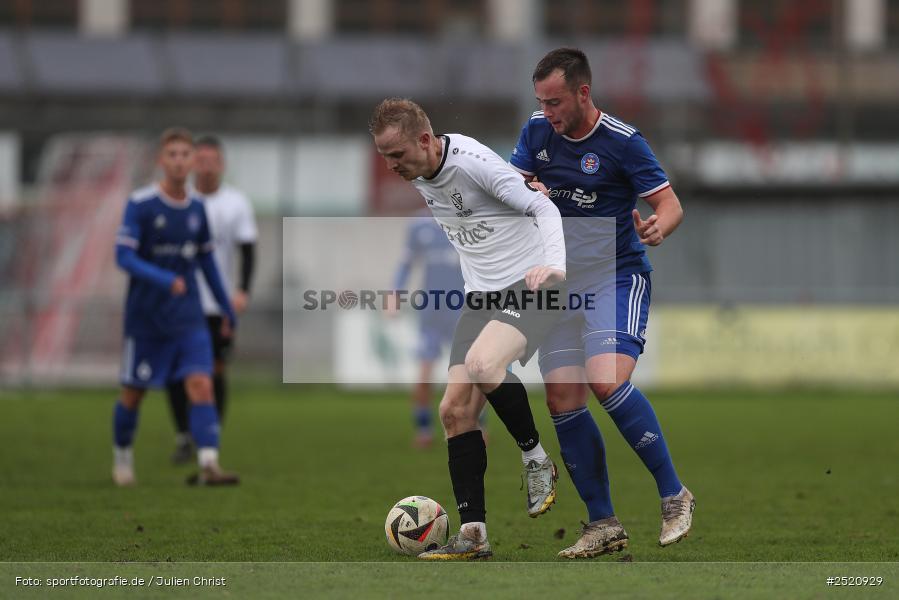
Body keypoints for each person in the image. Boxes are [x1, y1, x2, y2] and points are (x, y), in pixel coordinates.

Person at [509, 48, 693, 557]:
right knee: (562, 399)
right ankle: (602, 524)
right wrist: (525, 188)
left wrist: (660, 226)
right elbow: (513, 186)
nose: (549, 113)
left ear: (583, 93)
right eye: (542, 103)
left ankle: (674, 494)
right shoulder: (536, 132)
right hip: (560, 287)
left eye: (556, 102)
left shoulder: (623, 142)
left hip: (616, 277)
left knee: (606, 377)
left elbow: (669, 203)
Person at [370, 98, 566, 560]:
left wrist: (554, 267)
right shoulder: (422, 170)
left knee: (482, 363)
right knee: (454, 412)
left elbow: (545, 209)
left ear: (425, 140)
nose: (391, 166)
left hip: (531, 285)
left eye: (396, 155)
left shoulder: (471, 161)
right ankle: (473, 537)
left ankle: (536, 458)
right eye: (384, 157)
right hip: (481, 297)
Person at [112, 127, 239, 487]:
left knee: (201, 383)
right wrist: (163, 279)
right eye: (174, 154)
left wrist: (227, 308)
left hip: (189, 317)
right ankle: (122, 457)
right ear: (161, 160)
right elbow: (123, 256)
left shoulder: (198, 209)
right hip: (147, 318)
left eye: (187, 155)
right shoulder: (141, 204)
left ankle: (209, 463)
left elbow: (207, 264)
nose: (181, 161)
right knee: (133, 394)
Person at [166, 135, 258, 464]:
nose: (205, 167)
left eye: (212, 161)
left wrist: (242, 291)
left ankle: (210, 436)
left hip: (218, 304)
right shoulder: (178, 201)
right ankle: (183, 436)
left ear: (222, 165)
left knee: (215, 369)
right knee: (177, 371)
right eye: (200, 160)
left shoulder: (236, 203)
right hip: (179, 302)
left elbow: (248, 251)